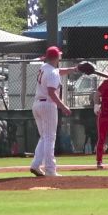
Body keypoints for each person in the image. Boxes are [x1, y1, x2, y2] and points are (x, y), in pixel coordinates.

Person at [29, 46, 76, 177]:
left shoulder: (44, 68)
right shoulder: (52, 72)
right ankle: (50, 170)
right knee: (50, 138)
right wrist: (63, 106)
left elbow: (57, 71)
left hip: (37, 104)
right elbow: (51, 92)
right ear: (56, 57)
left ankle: (35, 165)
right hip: (48, 105)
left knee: (44, 137)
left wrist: (73, 69)